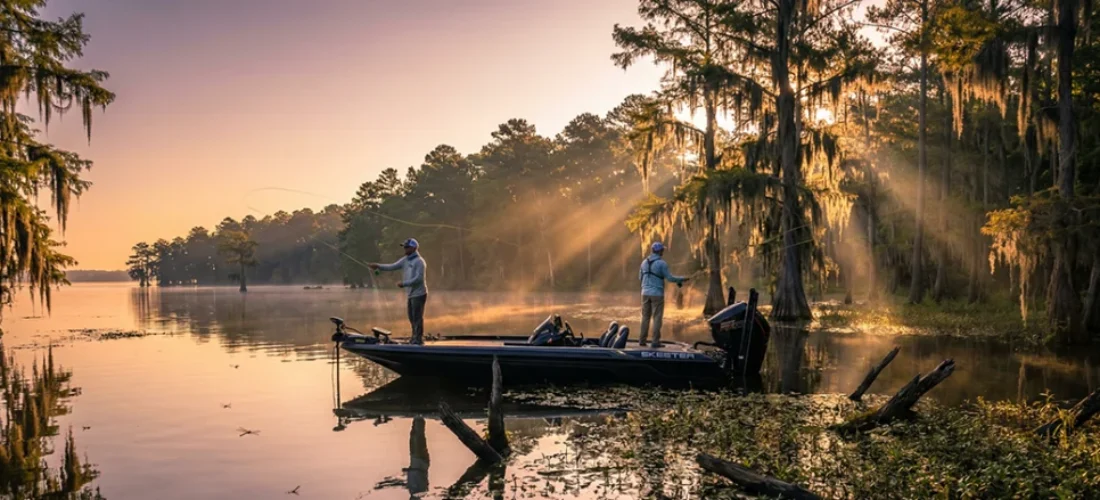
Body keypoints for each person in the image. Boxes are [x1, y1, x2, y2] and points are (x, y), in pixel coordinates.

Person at [369, 238, 428, 344]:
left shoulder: (419, 262)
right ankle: (414, 337)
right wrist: (378, 266)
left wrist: (404, 283)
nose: (405, 249)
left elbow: (419, 279)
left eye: (407, 247)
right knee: (411, 317)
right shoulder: (405, 260)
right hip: (411, 294)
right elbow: (392, 266)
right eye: (404, 247)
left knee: (417, 317)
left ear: (414, 248)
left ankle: (418, 340)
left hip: (419, 293)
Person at [638, 242, 687, 348]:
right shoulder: (662, 263)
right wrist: (682, 279)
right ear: (660, 251)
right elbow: (670, 278)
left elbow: (640, 278)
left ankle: (642, 340)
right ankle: (655, 342)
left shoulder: (644, 262)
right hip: (657, 294)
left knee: (645, 317)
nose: (663, 252)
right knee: (657, 318)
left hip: (644, 293)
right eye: (662, 250)